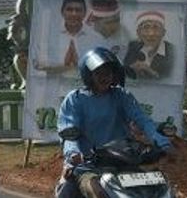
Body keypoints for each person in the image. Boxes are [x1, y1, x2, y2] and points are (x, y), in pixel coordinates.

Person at [56, 48, 174, 198]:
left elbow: (143, 120)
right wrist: (73, 154)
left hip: (124, 163)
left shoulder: (121, 96)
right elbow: (69, 132)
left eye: (108, 73)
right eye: (98, 73)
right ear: (88, 75)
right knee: (81, 191)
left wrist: (161, 141)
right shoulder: (75, 99)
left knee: (158, 186)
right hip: (88, 166)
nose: (104, 77)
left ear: (114, 75)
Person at [34, 0, 96, 78]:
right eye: (69, 10)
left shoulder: (93, 37)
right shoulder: (49, 36)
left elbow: (97, 69)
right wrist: (74, 66)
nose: (74, 14)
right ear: (62, 12)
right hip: (53, 87)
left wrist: (60, 67)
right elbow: (40, 66)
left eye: (78, 10)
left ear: (84, 13)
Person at [123, 11, 174, 80]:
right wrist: (131, 68)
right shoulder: (133, 47)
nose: (151, 34)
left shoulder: (171, 51)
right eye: (146, 27)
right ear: (138, 33)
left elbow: (173, 78)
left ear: (163, 32)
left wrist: (151, 73)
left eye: (156, 27)